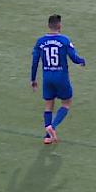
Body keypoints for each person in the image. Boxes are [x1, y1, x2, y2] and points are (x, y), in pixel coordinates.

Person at [31, 14, 85, 144]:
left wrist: (33, 79)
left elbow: (34, 62)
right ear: (59, 26)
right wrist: (82, 61)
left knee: (49, 105)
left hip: (47, 77)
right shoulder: (64, 40)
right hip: (61, 77)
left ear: (48, 26)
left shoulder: (40, 42)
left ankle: (47, 136)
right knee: (66, 103)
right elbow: (73, 57)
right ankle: (52, 127)